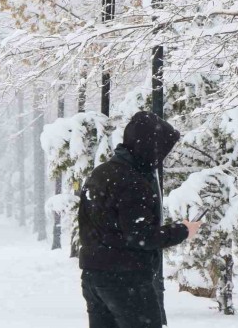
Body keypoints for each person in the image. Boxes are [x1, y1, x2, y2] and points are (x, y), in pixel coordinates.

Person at [78, 111, 203, 328]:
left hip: (93, 277)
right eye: (160, 150)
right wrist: (183, 230)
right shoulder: (132, 182)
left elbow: (88, 225)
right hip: (126, 280)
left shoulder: (100, 174)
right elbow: (140, 236)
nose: (161, 158)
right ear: (149, 146)